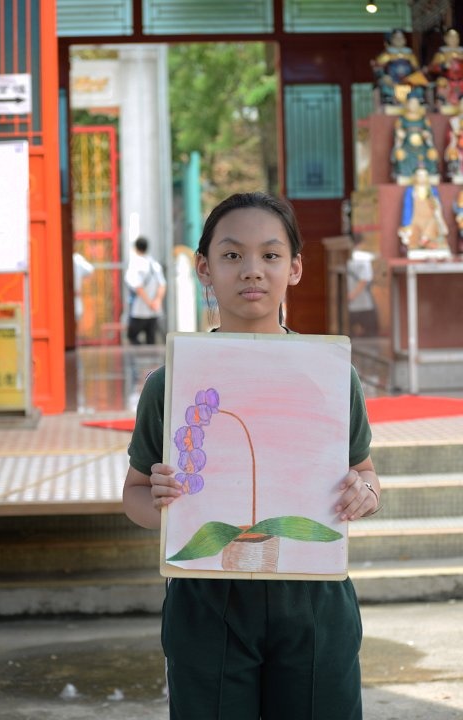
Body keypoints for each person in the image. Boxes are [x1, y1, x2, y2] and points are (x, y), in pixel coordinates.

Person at [123, 192, 381, 720]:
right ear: (205, 268)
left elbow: (366, 474)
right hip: (206, 604)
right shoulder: (171, 384)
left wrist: (365, 494)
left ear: (295, 268)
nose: (252, 270)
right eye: (232, 255)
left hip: (313, 602)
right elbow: (135, 495)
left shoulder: (332, 374)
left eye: (270, 254)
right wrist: (161, 502)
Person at [397, 168, 450, 259]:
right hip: (416, 218)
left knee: (433, 223)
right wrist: (406, 224)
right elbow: (407, 207)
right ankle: (421, 242)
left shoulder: (432, 190)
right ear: (415, 177)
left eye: (424, 175)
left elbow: (437, 206)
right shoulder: (411, 191)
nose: (422, 178)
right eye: (419, 175)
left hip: (430, 218)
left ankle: (427, 240)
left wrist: (438, 215)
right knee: (413, 231)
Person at [371, 28, 427, 112]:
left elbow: (416, 69)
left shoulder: (409, 54)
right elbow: (378, 68)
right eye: (396, 38)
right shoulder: (387, 54)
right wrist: (384, 76)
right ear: (391, 40)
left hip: (408, 82)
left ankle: (417, 102)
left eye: (401, 38)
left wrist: (417, 76)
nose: (399, 40)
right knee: (385, 86)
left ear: (405, 40)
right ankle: (389, 101)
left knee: (419, 88)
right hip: (392, 82)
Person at [125, 236, 167, 345]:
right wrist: (157, 301)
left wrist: (149, 303)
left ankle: (140, 354)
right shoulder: (154, 264)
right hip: (155, 311)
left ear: (136, 248)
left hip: (139, 310)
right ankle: (149, 356)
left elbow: (138, 287)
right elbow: (162, 285)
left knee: (132, 336)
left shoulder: (135, 263)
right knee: (151, 340)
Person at [391, 92, 440, 185]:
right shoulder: (401, 120)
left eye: (415, 103)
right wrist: (399, 135)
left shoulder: (424, 119)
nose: (413, 106)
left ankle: (430, 174)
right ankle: (404, 174)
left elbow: (429, 133)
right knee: (400, 154)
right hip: (407, 147)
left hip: (421, 147)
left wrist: (427, 135)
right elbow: (397, 132)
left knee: (432, 153)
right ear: (407, 104)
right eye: (411, 103)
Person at [428, 28, 463, 113]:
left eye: (456, 37)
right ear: (445, 39)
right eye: (451, 37)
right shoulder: (441, 54)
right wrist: (443, 66)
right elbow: (432, 68)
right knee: (441, 86)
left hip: (461, 81)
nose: (454, 39)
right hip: (447, 81)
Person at [72, 251, 94, 324]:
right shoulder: (77, 259)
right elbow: (90, 269)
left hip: (76, 296)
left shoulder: (77, 259)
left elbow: (89, 269)